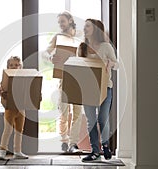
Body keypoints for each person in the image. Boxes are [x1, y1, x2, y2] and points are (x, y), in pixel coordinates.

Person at [78, 19, 119, 162]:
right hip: (88, 89)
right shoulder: (82, 47)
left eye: (87, 25)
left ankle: (105, 144)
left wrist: (110, 63)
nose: (84, 28)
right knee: (91, 121)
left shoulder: (106, 46)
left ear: (95, 29)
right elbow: (78, 67)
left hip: (105, 87)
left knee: (102, 119)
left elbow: (117, 64)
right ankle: (95, 151)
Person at [43, 11, 83, 153]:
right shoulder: (57, 37)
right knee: (63, 111)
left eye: (62, 21)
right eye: (59, 22)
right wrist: (50, 58)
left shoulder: (80, 36)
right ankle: (64, 142)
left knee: (77, 112)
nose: (60, 24)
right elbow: (45, 52)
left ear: (70, 20)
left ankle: (74, 143)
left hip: (79, 77)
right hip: (63, 77)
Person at [0, 56, 29, 160]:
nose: (14, 67)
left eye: (16, 65)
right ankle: (2, 151)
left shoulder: (23, 78)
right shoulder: (6, 79)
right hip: (9, 109)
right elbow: (1, 90)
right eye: (11, 65)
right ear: (8, 67)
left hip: (21, 108)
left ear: (20, 67)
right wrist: (2, 93)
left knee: (19, 130)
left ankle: (17, 151)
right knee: (7, 130)